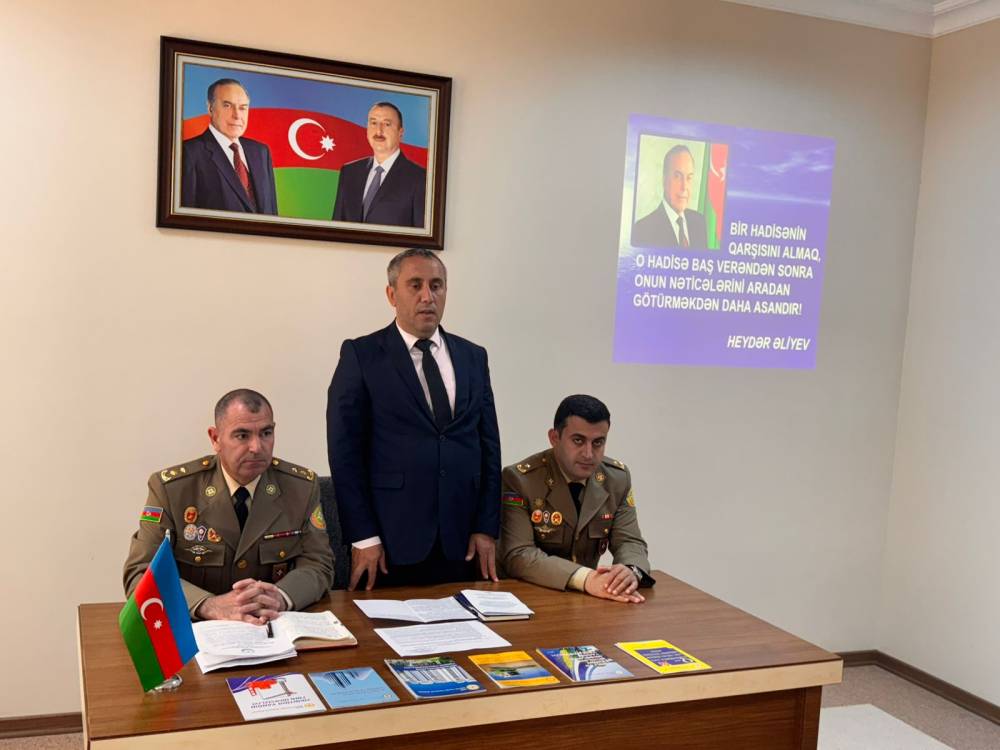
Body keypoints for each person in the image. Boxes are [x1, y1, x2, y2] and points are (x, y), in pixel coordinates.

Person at [326, 248, 501, 589]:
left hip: (462, 542)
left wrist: (486, 527)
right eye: (415, 285)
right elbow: (344, 454)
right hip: (389, 543)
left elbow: (489, 448)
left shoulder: (473, 356)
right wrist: (363, 536)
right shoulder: (362, 355)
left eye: (436, 286)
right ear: (392, 294)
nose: (427, 296)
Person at [123, 389, 333, 623]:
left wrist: (281, 597)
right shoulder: (173, 490)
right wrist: (208, 605)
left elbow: (318, 563)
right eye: (242, 435)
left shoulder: (301, 488)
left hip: (270, 625)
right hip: (199, 631)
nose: (257, 447)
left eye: (266, 433)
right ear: (215, 438)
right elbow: (141, 573)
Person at [499, 394, 653, 603]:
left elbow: (629, 541)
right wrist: (586, 578)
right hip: (529, 597)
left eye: (598, 442)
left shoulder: (616, 479)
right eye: (578, 441)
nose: (588, 454)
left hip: (585, 601)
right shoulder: (521, 480)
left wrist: (629, 571)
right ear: (554, 438)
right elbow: (518, 554)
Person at [181, 78, 278, 214]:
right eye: (227, 106)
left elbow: (272, 213)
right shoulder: (189, 152)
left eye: (242, 108)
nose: (237, 115)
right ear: (210, 108)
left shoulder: (261, 152)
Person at [331, 102, 426, 227]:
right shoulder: (349, 172)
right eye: (373, 123)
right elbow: (337, 227)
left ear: (400, 133)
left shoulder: (420, 178)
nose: (378, 131)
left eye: (387, 124)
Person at [631, 144, 708, 249]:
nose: (684, 187)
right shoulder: (642, 230)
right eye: (677, 176)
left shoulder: (699, 222)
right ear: (664, 180)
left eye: (689, 178)